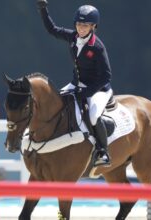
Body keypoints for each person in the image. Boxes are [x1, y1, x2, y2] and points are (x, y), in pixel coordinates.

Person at [36, 0, 113, 167]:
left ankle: (103, 151)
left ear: (93, 27)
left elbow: (106, 76)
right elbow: (52, 29)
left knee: (92, 116)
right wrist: (43, 9)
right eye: (79, 24)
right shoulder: (72, 37)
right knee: (56, 102)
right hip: (76, 84)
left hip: (98, 89)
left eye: (85, 25)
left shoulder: (97, 47)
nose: (81, 28)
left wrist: (86, 93)